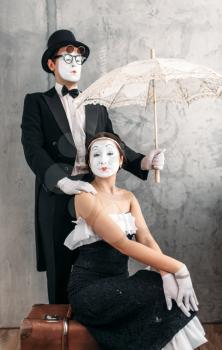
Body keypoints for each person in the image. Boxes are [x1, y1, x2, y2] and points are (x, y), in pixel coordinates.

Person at [21, 29, 165, 303]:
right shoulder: (36, 102)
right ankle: (64, 336)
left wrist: (143, 161)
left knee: (102, 264)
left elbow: (113, 143)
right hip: (55, 196)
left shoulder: (96, 102)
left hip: (94, 192)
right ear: (51, 64)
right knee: (60, 270)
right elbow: (33, 149)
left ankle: (98, 327)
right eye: (67, 57)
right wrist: (61, 182)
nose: (75, 63)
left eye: (78, 58)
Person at [65, 132, 208, 350]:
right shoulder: (84, 196)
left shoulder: (128, 197)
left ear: (122, 160)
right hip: (89, 291)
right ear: (88, 162)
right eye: (96, 155)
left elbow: (146, 238)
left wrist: (165, 273)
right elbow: (122, 243)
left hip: (119, 284)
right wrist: (179, 268)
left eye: (110, 153)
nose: (103, 160)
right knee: (156, 288)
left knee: (159, 283)